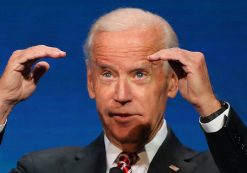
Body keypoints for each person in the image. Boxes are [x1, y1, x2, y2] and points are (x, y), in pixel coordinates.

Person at [0, 8, 246, 173]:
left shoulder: (215, 168)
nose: (121, 95)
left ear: (172, 81)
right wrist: (2, 103)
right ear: (90, 81)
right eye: (107, 74)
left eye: (139, 74)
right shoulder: (40, 169)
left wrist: (209, 106)